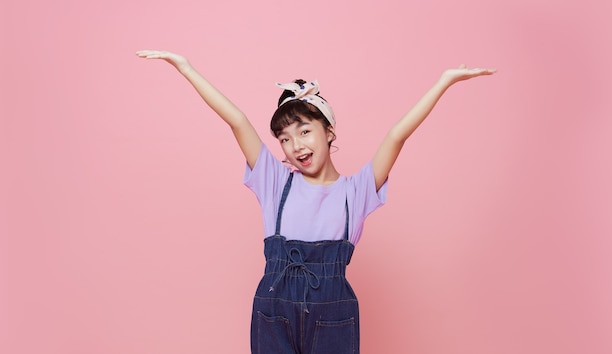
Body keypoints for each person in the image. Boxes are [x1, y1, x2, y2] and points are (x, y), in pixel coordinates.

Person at [135, 50, 496, 354]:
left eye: (305, 131)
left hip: (333, 315)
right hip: (272, 309)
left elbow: (397, 135)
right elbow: (236, 120)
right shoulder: (275, 182)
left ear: (329, 131)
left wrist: (444, 82)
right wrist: (185, 68)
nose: (297, 146)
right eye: (285, 139)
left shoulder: (356, 192)